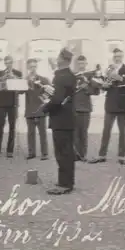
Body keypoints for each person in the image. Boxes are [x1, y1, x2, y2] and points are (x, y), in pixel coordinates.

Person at [89, 48, 125, 165]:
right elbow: (105, 85)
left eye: (119, 56)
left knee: (122, 131)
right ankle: (102, 155)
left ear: (122, 56)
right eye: (115, 56)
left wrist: (119, 78)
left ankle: (122, 156)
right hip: (110, 103)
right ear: (113, 57)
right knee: (106, 130)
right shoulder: (109, 69)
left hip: (123, 103)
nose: (117, 58)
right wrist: (104, 85)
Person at [43, 48, 77, 195]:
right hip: (68, 118)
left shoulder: (60, 76)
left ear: (63, 59)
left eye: (58, 57)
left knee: (62, 152)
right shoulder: (69, 75)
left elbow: (56, 99)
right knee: (67, 152)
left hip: (60, 119)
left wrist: (44, 108)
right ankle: (68, 182)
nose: (56, 59)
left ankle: (64, 184)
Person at [0, 55, 23, 159]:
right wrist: (1, 79)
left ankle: (10, 150)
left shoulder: (18, 73)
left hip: (13, 103)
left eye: (10, 62)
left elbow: (21, 90)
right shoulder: (0, 73)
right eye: (6, 62)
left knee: (12, 127)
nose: (8, 64)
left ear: (12, 63)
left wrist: (14, 79)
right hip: (2, 104)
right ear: (4, 63)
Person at [73, 55, 100, 162]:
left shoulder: (90, 76)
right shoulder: (73, 75)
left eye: (83, 63)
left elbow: (96, 91)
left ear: (86, 64)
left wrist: (87, 88)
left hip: (85, 108)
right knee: (74, 133)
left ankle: (83, 154)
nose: (81, 65)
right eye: (79, 63)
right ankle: (75, 154)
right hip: (74, 107)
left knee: (83, 132)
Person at [24, 58, 50, 160]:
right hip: (30, 109)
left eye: (34, 66)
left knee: (42, 133)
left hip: (40, 109)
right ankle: (31, 152)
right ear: (27, 68)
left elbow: (49, 92)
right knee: (30, 133)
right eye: (30, 67)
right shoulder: (25, 80)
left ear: (37, 67)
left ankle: (44, 153)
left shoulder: (43, 79)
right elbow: (20, 92)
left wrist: (42, 98)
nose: (32, 69)